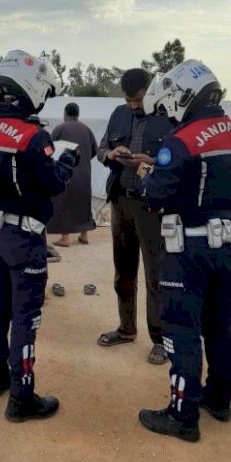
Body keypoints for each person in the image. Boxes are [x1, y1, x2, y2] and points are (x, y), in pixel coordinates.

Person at [138, 60, 231, 442]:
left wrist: (147, 176)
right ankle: (220, 398)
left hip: (188, 248)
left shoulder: (182, 139)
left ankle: (182, 414)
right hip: (228, 248)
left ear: (184, 96)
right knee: (220, 325)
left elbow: (156, 194)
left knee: (181, 329)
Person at [0, 49, 78, 423]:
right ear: (31, 87)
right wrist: (66, 160)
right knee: (25, 317)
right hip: (26, 238)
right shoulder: (35, 137)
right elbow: (51, 184)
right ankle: (22, 398)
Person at [96, 68, 174, 364]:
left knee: (156, 275)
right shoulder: (118, 114)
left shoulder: (167, 117)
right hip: (121, 202)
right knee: (123, 271)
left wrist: (151, 161)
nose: (132, 105)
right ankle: (126, 328)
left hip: (150, 207)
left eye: (137, 100)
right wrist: (112, 154)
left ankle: (160, 339)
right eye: (128, 100)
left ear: (150, 92)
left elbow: (178, 162)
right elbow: (101, 149)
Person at [47, 102, 98, 247]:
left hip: (66, 172)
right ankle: (84, 235)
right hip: (85, 173)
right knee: (83, 203)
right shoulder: (87, 129)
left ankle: (65, 238)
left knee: (65, 203)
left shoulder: (60, 129)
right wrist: (83, 161)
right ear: (78, 114)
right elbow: (95, 150)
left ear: (65, 113)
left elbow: (50, 149)